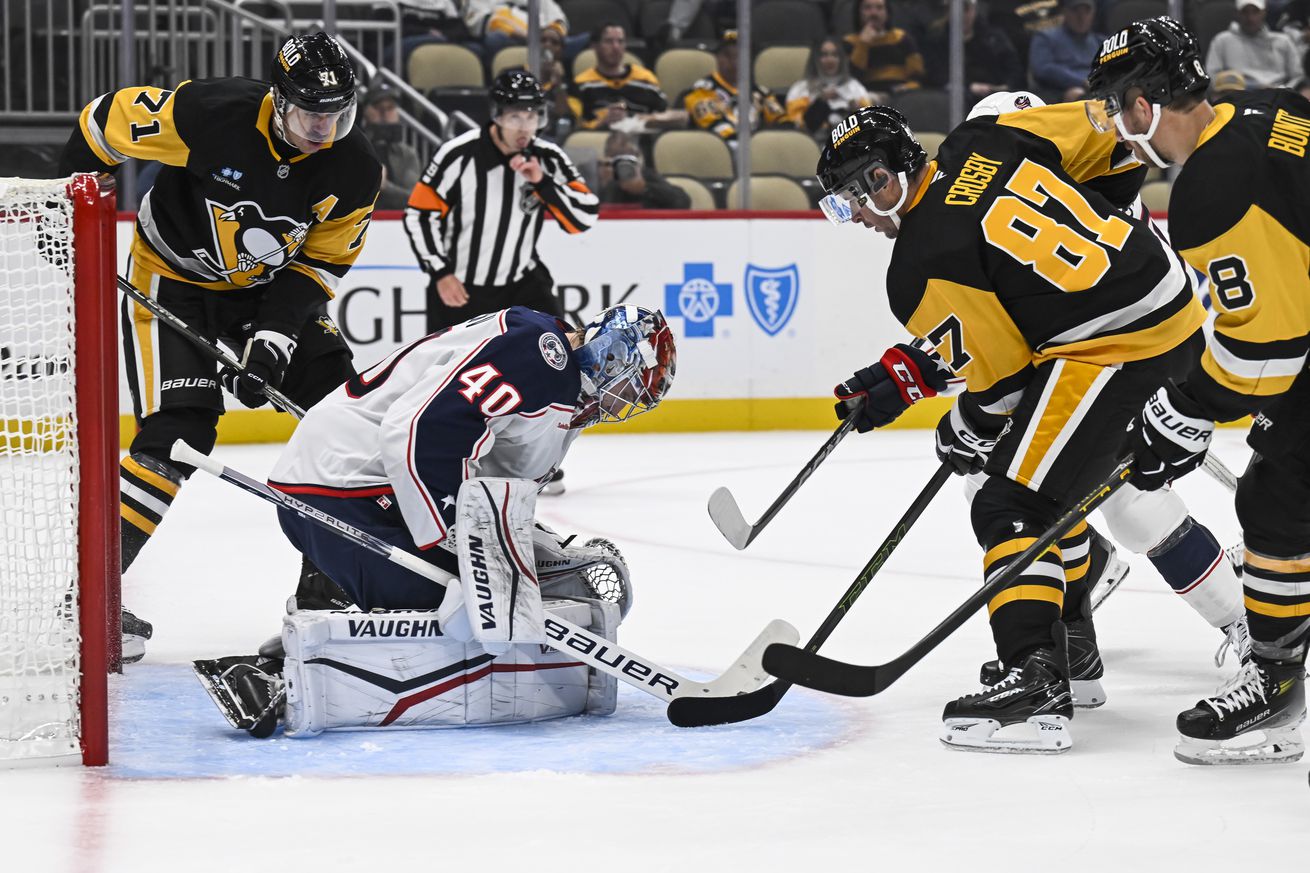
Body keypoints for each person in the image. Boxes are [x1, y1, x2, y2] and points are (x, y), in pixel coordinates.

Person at [815, 101, 1216, 754]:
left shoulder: (917, 263)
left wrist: (965, 425)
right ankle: (1071, 654)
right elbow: (1111, 139)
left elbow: (1002, 382)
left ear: (884, 180)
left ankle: (1036, 684)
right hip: (1163, 293)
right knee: (1042, 481)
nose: (855, 218)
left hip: (1114, 341)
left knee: (1011, 499)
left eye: (850, 201)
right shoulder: (986, 138)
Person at [193, 304, 677, 737]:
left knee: (495, 599)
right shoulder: (541, 356)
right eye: (627, 387)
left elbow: (491, 481)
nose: (620, 404)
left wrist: (530, 546)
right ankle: (271, 677)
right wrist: (460, 549)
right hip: (340, 487)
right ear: (610, 355)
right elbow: (420, 430)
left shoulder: (562, 388)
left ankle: (317, 638)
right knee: (458, 610)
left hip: (372, 487)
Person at [58, 32, 381, 663]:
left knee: (346, 419)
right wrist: (69, 219)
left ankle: (328, 595)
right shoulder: (209, 114)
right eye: (311, 112)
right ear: (276, 98)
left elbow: (318, 265)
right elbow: (102, 125)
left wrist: (273, 340)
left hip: (265, 292)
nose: (323, 128)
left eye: (337, 114)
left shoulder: (355, 168)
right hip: (173, 280)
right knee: (178, 432)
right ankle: (87, 598)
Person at [1087, 15, 1308, 765]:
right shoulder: (1268, 106)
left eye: (1117, 108)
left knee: (1276, 499)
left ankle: (1275, 694)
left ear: (1145, 103)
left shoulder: (1211, 190)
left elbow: (1269, 352)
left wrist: (1181, 410)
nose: (1117, 127)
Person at [403, 69, 596, 494]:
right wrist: (439, 271)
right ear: (496, 115)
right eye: (515, 116)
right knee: (443, 379)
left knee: (556, 366)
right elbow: (418, 212)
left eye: (533, 116)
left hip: (523, 282)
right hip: (462, 285)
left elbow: (583, 217)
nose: (525, 126)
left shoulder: (546, 157)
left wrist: (541, 183)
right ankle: (442, 461)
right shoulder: (460, 154)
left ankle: (541, 463)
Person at [684, 31, 791, 141]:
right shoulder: (702, 90)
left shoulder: (760, 92)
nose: (734, 62)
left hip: (757, 148)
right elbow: (716, 127)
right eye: (728, 55)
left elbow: (781, 120)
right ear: (717, 58)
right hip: (722, 149)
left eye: (740, 56)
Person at [922, 0, 1024, 108]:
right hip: (955, 100)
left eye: (966, 9)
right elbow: (935, 75)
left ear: (974, 10)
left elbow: (1014, 68)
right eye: (957, 10)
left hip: (997, 99)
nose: (962, 16)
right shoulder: (936, 40)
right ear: (947, 12)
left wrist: (1006, 86)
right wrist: (969, 86)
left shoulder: (994, 38)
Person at [571, 22, 668, 131]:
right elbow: (574, 125)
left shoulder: (645, 79)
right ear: (594, 46)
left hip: (640, 140)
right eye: (609, 41)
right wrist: (602, 122)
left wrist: (637, 120)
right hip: (597, 141)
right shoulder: (582, 84)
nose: (616, 47)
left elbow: (665, 116)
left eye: (620, 41)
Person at [785, 37, 874, 144]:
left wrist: (857, 110)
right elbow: (795, 125)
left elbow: (870, 124)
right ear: (815, 59)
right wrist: (818, 103)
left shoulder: (854, 87)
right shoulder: (801, 88)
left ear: (841, 59)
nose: (830, 60)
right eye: (824, 55)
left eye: (835, 55)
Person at [1205, 0, 1301, 89]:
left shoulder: (1283, 41)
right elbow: (1212, 76)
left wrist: (1284, 90)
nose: (1250, 18)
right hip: (1238, 97)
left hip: (1278, 97)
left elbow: (1298, 76)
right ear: (1237, 13)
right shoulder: (1221, 41)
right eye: (1245, 12)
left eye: (1255, 12)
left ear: (1264, 13)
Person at [843, 0, 925, 102]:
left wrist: (909, 87)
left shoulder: (901, 38)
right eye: (867, 8)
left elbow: (917, 74)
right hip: (867, 95)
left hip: (901, 93)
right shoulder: (850, 42)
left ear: (887, 13)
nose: (874, 13)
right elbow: (853, 76)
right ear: (858, 13)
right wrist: (863, 44)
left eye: (879, 8)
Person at [1028, 0, 1104, 102]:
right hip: (1059, 92)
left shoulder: (1100, 41)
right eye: (1075, 11)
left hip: (1098, 89)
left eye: (1086, 12)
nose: (1081, 17)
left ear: (1093, 13)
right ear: (1064, 12)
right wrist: (1081, 81)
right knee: (1077, 94)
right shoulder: (1045, 37)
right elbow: (1043, 68)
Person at [361, 84, 422, 210]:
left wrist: (385, 186)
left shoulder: (407, 154)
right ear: (365, 111)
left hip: (397, 223)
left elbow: (416, 199)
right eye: (378, 107)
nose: (384, 113)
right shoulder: (355, 151)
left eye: (390, 108)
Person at [598, 131, 691, 209]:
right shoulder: (596, 176)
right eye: (616, 156)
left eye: (628, 157)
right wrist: (603, 184)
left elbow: (682, 202)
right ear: (606, 157)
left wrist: (645, 188)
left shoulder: (645, 176)